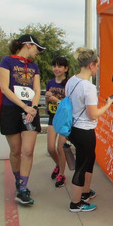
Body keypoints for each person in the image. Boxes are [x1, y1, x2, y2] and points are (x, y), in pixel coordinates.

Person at [66, 48, 113, 212]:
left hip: (73, 128)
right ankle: (76, 202)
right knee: (82, 165)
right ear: (91, 65)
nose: (97, 69)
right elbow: (93, 114)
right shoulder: (88, 87)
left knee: (88, 160)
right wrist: (108, 105)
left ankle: (85, 192)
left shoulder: (71, 81)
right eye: (97, 66)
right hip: (84, 130)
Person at [0, 34, 45, 205]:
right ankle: (18, 182)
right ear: (27, 45)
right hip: (11, 110)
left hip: (30, 112)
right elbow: (4, 88)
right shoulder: (7, 61)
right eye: (36, 48)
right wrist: (24, 107)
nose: (37, 52)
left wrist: (32, 108)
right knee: (16, 151)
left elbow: (37, 89)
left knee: (28, 151)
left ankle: (23, 188)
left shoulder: (34, 66)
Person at [45, 56, 69, 188]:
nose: (56, 69)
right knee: (50, 148)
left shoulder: (68, 83)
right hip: (52, 117)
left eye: (59, 66)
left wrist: (55, 99)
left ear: (66, 68)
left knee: (61, 148)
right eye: (54, 66)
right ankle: (59, 164)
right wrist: (48, 99)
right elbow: (47, 103)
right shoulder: (50, 83)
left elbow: (69, 104)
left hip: (64, 118)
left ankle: (62, 173)